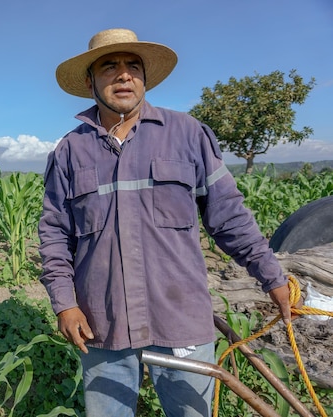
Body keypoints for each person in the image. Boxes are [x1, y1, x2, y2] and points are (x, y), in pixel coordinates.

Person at [38, 28, 293, 417]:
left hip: (179, 317)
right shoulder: (70, 152)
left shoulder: (187, 134)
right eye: (110, 66)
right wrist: (64, 304)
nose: (124, 75)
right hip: (101, 322)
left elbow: (229, 217)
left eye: (132, 66)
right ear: (90, 81)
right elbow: (55, 234)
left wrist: (272, 276)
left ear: (144, 78)